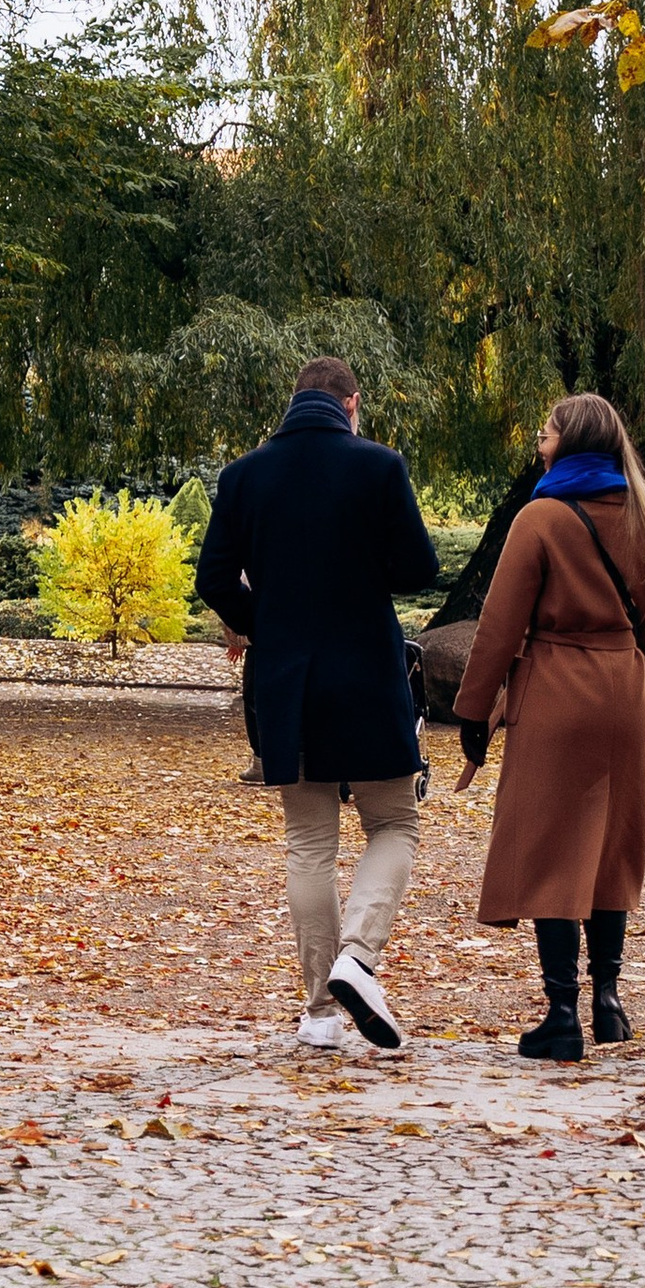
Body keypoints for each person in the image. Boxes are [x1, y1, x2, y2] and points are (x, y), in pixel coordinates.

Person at [195, 356, 441, 1053]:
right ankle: (357, 959)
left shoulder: (245, 476)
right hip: (366, 670)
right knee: (394, 822)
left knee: (308, 840)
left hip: (287, 679)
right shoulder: (379, 467)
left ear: (294, 400)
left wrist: (265, 620)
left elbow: (213, 575)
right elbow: (420, 568)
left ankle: (319, 1015)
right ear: (352, 404)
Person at [452, 393, 645, 1061]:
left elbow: (498, 626)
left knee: (554, 846)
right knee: (611, 844)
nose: (538, 440)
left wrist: (472, 711)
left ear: (570, 442)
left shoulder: (542, 517)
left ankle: (560, 1014)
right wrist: (644, 694)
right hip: (627, 688)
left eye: (545, 430)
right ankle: (608, 1001)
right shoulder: (643, 518)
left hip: (557, 686)